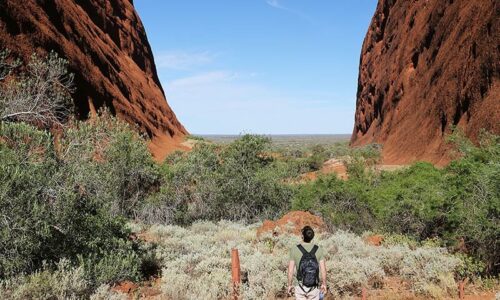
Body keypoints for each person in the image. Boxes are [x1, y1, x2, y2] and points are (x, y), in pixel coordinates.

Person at [287, 226, 327, 300]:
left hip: (299, 287)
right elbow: (323, 270)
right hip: (314, 287)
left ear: (302, 236)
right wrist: (324, 284)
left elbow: (290, 271)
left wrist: (289, 285)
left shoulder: (294, 249)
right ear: (312, 236)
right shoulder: (318, 249)